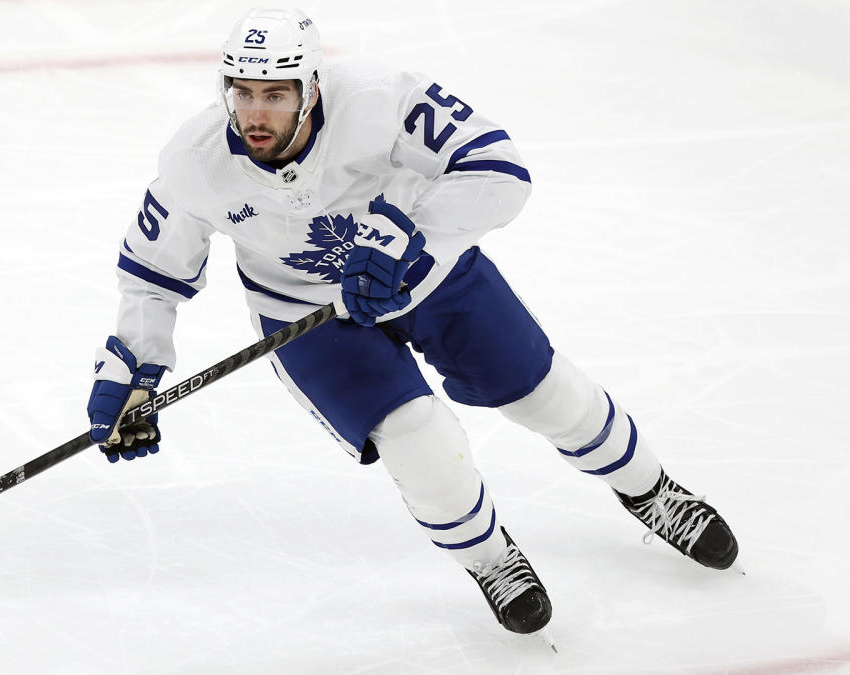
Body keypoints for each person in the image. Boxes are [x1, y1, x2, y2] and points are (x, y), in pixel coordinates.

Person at [85, 8, 739, 642]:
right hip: (305, 315)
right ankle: (489, 558)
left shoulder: (378, 99)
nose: (256, 114)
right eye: (244, 94)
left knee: (544, 392)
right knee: (417, 437)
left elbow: (499, 167)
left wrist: (413, 240)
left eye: (277, 95)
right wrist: (134, 368)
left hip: (428, 273)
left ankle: (652, 491)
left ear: (312, 90)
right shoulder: (195, 160)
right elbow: (151, 272)